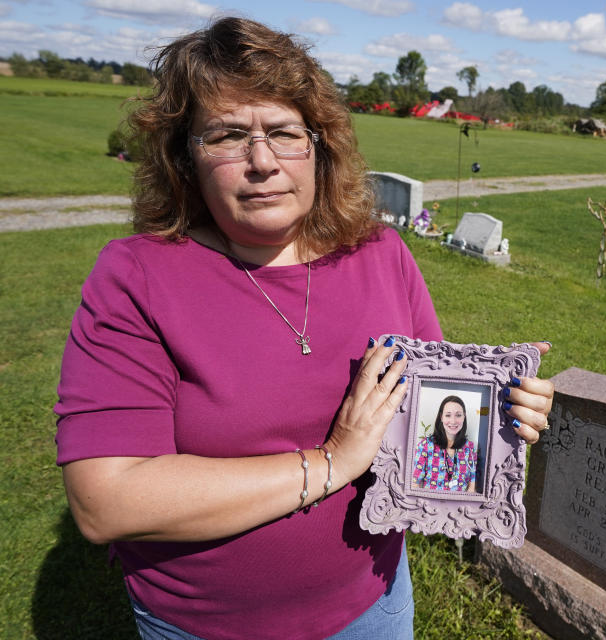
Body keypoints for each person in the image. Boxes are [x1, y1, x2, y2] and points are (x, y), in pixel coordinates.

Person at [53, 17, 554, 640]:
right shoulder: (137, 276)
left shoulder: (381, 253)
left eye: (284, 133)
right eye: (228, 136)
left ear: (319, 144)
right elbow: (106, 499)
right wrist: (330, 462)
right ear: (186, 156)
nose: (262, 162)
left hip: (375, 602)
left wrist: (500, 409)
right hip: (209, 626)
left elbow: (428, 406)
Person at [413, 395, 477, 492]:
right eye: (448, 415)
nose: (453, 421)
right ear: (441, 417)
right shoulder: (425, 445)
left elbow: (471, 487)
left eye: (458, 415)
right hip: (429, 505)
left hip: (459, 506)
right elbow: (414, 484)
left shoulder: (470, 447)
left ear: (464, 417)